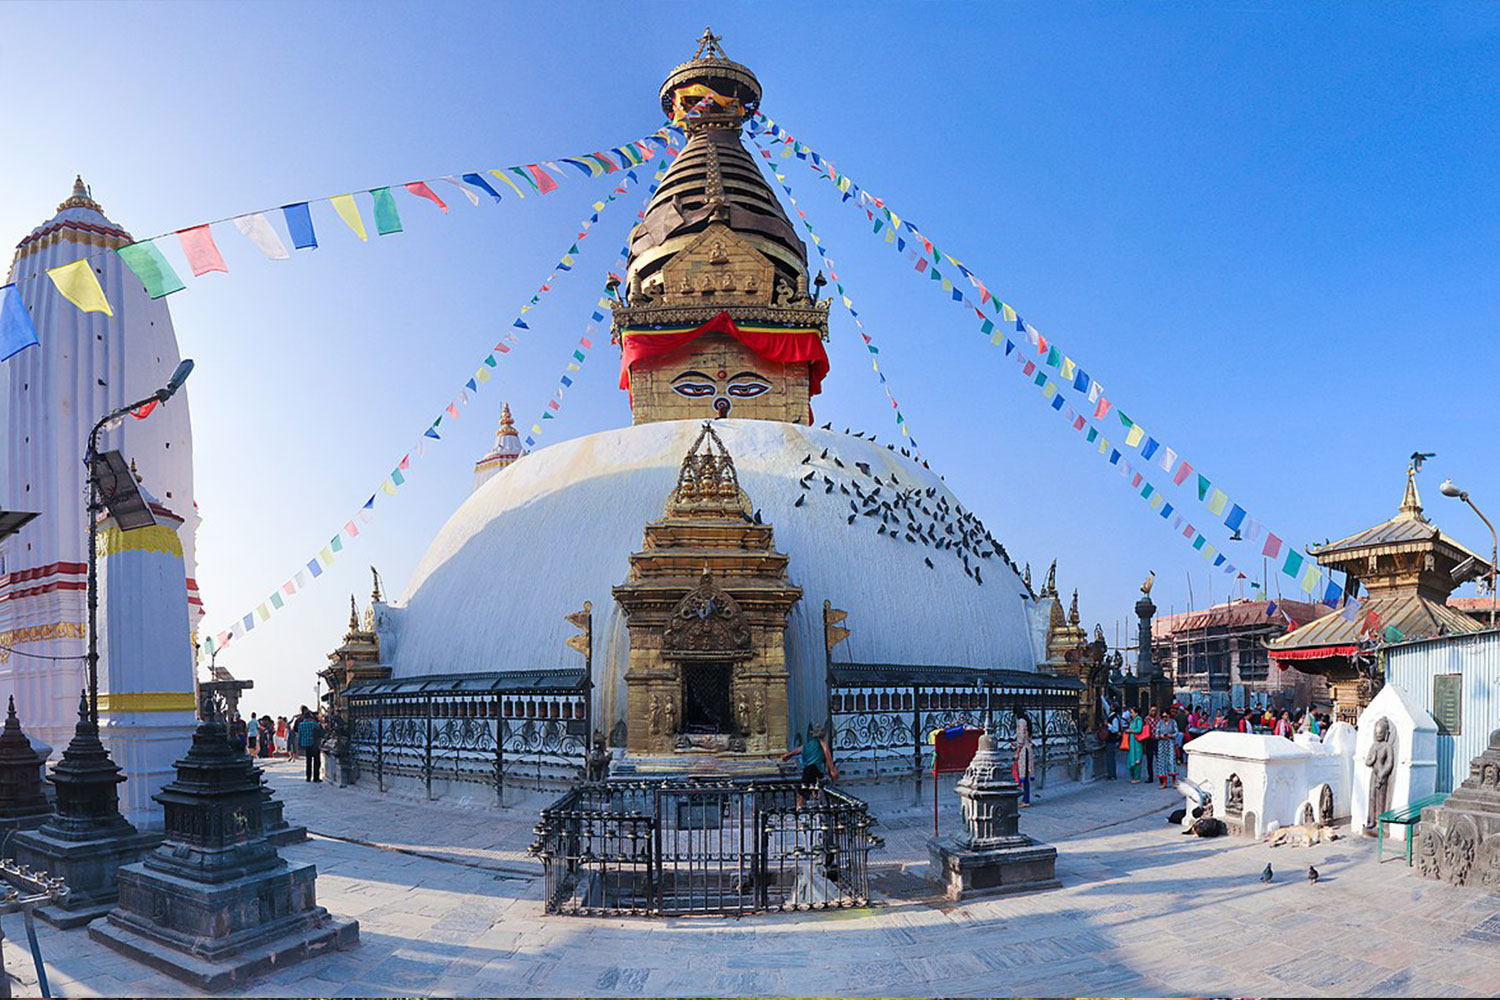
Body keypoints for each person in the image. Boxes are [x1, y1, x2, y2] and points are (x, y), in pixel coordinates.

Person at [781, 722, 837, 808]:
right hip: (816, 768)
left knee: (804, 788)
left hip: (807, 769)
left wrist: (787, 756)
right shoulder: (821, 742)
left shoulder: (807, 745)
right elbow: (827, 753)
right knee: (813, 788)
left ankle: (801, 804)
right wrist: (832, 769)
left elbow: (795, 751)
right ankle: (808, 803)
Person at [1013, 710, 1036, 806]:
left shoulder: (1021, 722)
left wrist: (1017, 753)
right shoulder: (1027, 721)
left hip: (1024, 752)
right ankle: (1025, 798)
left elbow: (1021, 739)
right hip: (1028, 749)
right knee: (1026, 774)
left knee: (1025, 775)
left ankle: (1026, 800)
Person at [296, 707, 324, 782]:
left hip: (305, 744)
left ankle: (308, 777)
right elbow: (320, 732)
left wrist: (299, 745)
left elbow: (299, 735)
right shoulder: (314, 724)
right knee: (316, 761)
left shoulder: (301, 725)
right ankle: (316, 777)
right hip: (314, 744)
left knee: (308, 761)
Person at [1155, 708, 1180, 787]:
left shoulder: (1173, 722)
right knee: (1162, 762)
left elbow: (1176, 732)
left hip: (1170, 743)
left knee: (1171, 761)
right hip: (1162, 743)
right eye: (1163, 717)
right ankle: (1164, 782)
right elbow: (1156, 734)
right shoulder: (1160, 723)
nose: (1164, 718)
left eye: (1166, 716)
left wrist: (1170, 735)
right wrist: (1160, 736)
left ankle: (1174, 781)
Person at [1125, 708, 1145, 782]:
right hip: (1131, 742)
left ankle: (1137, 777)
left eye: (1132, 712)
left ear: (1136, 713)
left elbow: (1139, 730)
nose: (1131, 714)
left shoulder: (1138, 720)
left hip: (1136, 742)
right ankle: (1133, 777)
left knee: (1137, 759)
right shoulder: (1132, 720)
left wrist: (1130, 731)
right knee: (1131, 759)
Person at [1101, 707, 1121, 780]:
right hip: (1109, 739)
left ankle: (1112, 774)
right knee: (1109, 757)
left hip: (1111, 739)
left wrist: (1108, 725)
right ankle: (1110, 773)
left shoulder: (1114, 718)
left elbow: (1115, 729)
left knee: (1111, 757)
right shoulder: (1111, 716)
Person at [1141, 706, 1159, 782]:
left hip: (1157, 740)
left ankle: (1161, 776)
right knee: (1149, 759)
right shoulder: (1146, 719)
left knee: (1159, 759)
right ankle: (1150, 777)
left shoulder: (1159, 719)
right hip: (1149, 740)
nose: (1153, 712)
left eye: (1154, 710)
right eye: (1152, 710)